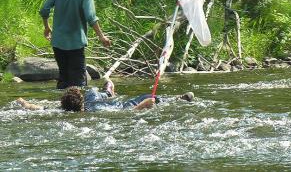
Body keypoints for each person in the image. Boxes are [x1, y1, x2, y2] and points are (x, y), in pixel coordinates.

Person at [39, 0, 111, 89]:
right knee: (78, 83)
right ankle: (78, 107)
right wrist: (102, 37)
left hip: (58, 43)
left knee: (64, 79)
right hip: (75, 44)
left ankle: (61, 106)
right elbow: (91, 17)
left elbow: (44, 9)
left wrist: (47, 27)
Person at [17, 80, 195, 112]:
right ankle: (177, 99)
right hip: (125, 106)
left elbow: (37, 108)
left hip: (116, 102)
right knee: (149, 97)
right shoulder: (92, 104)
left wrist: (24, 103)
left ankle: (109, 90)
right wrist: (144, 106)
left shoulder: (62, 109)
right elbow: (129, 112)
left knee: (99, 93)